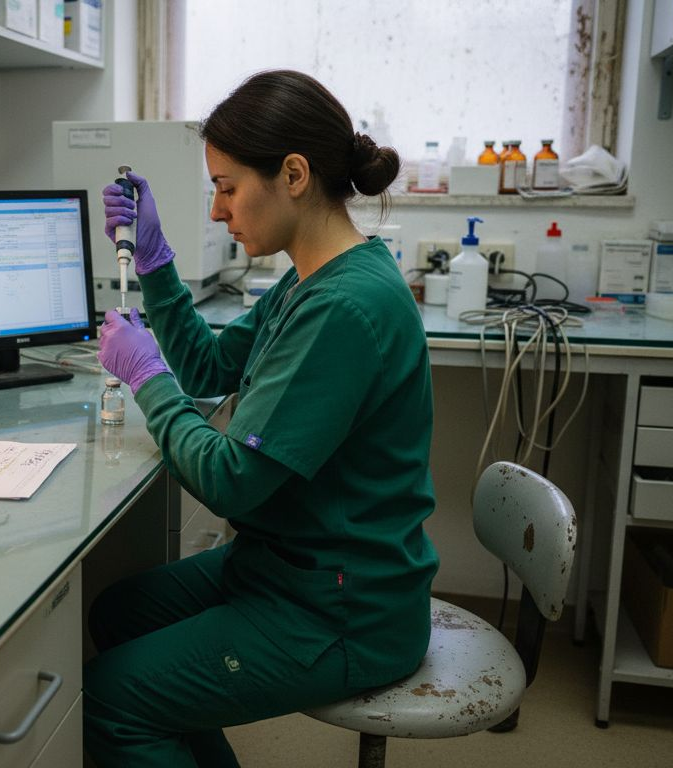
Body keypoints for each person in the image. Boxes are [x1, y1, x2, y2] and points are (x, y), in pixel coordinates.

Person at [85, 70, 440, 767]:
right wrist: (156, 262)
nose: (217, 211)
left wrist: (147, 378)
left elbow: (231, 481)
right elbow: (211, 368)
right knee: (115, 614)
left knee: (108, 702)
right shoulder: (311, 278)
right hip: (288, 568)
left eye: (226, 187)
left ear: (295, 174)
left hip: (342, 609)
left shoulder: (344, 307)